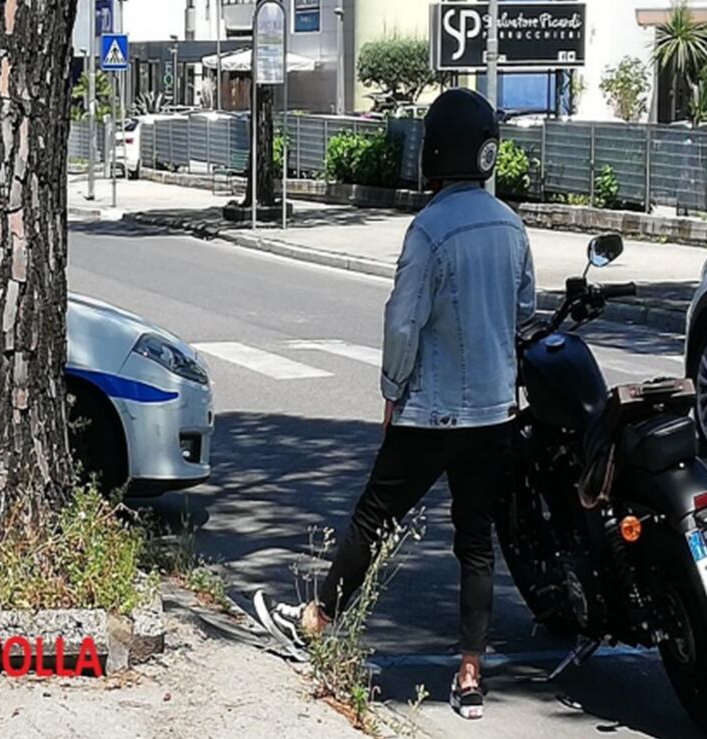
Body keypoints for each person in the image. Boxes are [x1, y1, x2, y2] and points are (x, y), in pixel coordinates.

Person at [254, 88, 536, 721]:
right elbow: (524, 315)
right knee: (476, 542)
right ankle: (469, 674)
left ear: (434, 153)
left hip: (430, 410)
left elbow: (403, 323)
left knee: (373, 519)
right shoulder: (511, 226)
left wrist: (390, 392)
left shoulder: (429, 228)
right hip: (494, 413)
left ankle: (318, 617)